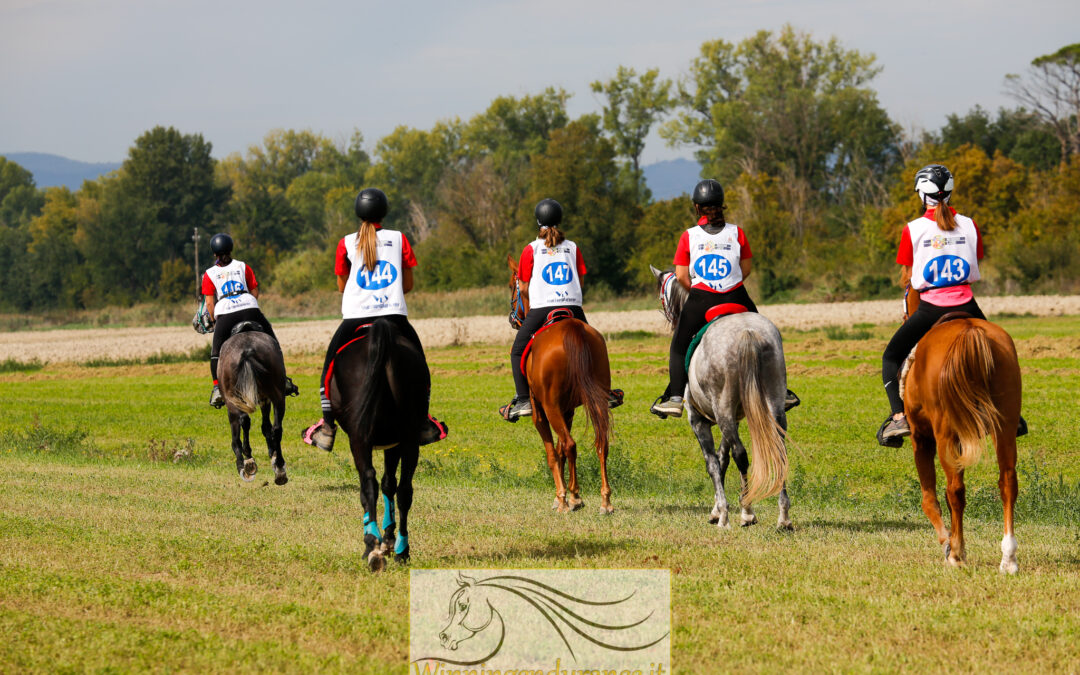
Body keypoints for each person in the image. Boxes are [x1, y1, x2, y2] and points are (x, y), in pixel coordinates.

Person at [877, 164, 1026, 444]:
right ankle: (1011, 416)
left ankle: (898, 419)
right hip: (968, 304)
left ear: (922, 195)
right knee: (1000, 352)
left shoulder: (913, 229)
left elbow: (908, 275)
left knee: (890, 357)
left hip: (930, 309)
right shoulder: (970, 224)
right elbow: (974, 260)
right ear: (950, 191)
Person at [302, 187, 447, 451]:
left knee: (328, 368)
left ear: (358, 212)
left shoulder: (345, 242)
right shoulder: (399, 238)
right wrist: (386, 293)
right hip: (393, 315)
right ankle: (424, 421)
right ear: (385, 211)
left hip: (355, 318)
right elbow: (409, 284)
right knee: (421, 366)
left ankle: (327, 427)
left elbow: (341, 286)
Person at [650, 179, 799, 418]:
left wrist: (698, 290)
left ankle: (675, 398)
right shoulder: (737, 232)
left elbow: (680, 275)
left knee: (678, 347)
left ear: (697, 208)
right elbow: (746, 268)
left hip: (702, 299)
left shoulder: (688, 236)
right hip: (737, 296)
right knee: (769, 336)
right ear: (721, 205)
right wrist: (730, 284)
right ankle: (782, 390)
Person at [499, 198, 623, 421]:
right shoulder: (573, 247)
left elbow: (524, 287)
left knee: (517, 350)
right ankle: (606, 392)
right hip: (573, 307)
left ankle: (524, 399)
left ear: (538, 222)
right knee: (596, 342)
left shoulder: (531, 249)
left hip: (542, 309)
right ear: (559, 219)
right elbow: (581, 280)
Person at [202, 233, 298, 408]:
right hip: (249, 307)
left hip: (226, 312)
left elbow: (209, 303)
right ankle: (283, 380)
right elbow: (254, 291)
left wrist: (216, 321)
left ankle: (217, 389)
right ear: (231, 249)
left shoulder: (209, 274)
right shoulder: (243, 266)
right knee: (273, 342)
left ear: (214, 253)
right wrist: (249, 304)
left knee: (216, 352)